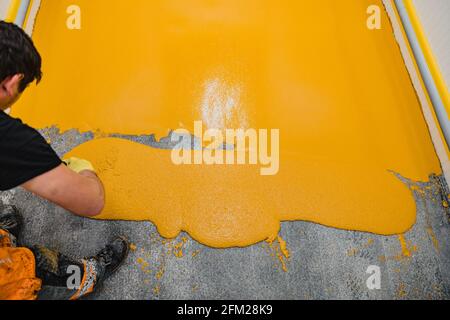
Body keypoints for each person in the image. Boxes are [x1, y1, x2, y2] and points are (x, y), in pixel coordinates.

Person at [0, 20, 128, 299]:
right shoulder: (12, 141)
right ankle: (87, 277)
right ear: (11, 82)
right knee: (19, 274)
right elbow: (92, 201)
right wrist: (83, 171)